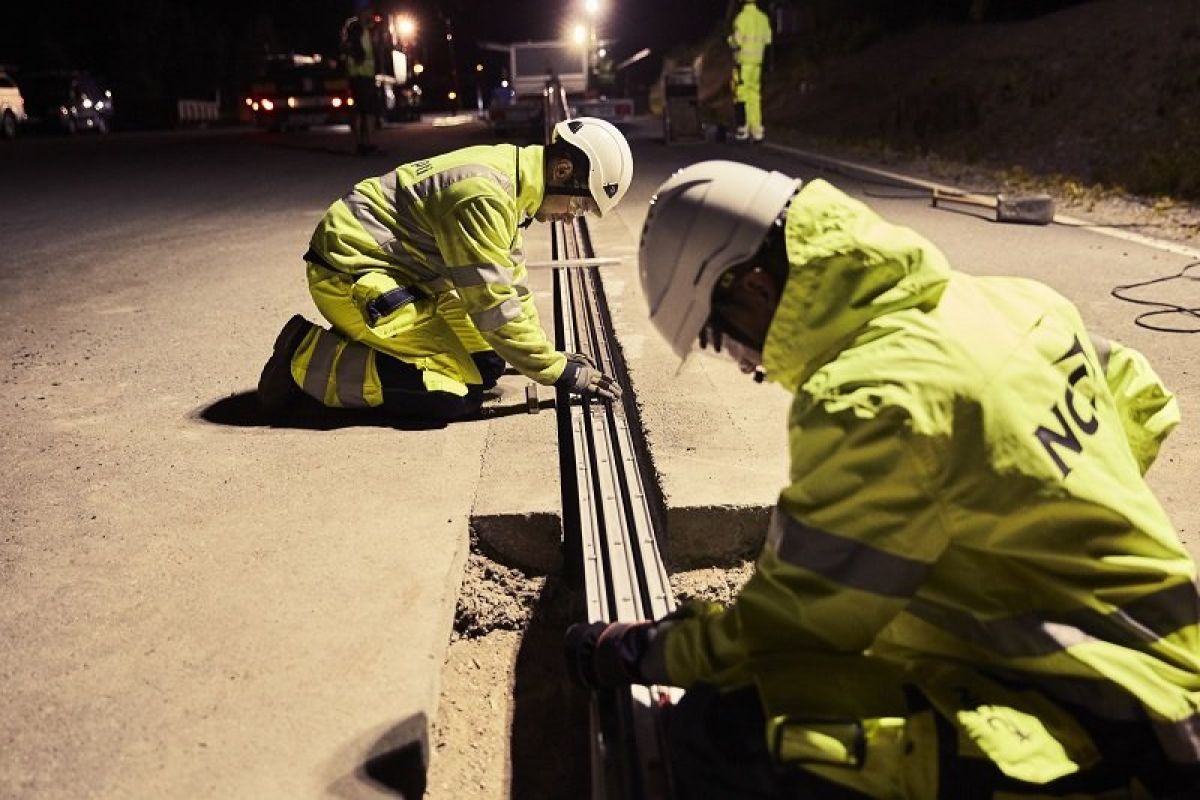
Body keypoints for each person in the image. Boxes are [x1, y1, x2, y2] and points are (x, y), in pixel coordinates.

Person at [565, 160, 1200, 797]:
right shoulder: (1009, 300)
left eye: (719, 333)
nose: (740, 360)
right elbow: (1142, 397)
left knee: (726, 731)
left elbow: (792, 625)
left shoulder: (870, 398)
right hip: (1171, 677)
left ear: (755, 288)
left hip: (1123, 727)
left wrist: (642, 650)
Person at [256, 117, 632, 421]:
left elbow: (511, 286)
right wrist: (558, 373)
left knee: (487, 363)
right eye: (579, 207)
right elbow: (493, 306)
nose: (571, 219)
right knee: (451, 395)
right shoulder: (484, 195)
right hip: (348, 273)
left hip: (400, 274)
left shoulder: (514, 180)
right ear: (563, 170)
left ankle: (382, 346)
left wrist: (549, 355)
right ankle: (302, 358)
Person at [729, 0, 772, 143]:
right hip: (758, 63)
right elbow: (767, 39)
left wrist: (730, 40)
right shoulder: (763, 18)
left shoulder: (741, 18)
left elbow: (737, 41)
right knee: (754, 95)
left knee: (742, 94)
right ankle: (757, 130)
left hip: (744, 62)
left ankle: (743, 129)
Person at [342, 9, 378, 156]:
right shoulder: (361, 30)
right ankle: (369, 143)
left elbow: (345, 49)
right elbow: (364, 53)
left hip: (354, 76)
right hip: (365, 75)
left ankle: (360, 144)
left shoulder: (349, 29)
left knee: (358, 111)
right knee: (368, 111)